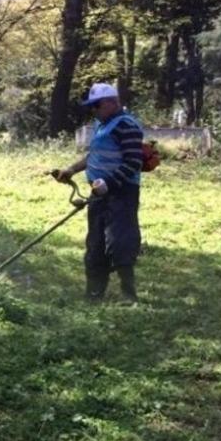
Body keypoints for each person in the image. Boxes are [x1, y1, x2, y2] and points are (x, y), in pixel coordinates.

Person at [53, 81, 144, 303]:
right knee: (95, 244)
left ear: (112, 103)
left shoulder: (127, 126)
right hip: (99, 193)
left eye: (97, 105)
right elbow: (94, 156)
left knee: (120, 242)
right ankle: (94, 294)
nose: (93, 110)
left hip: (122, 193)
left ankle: (128, 295)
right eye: (92, 106)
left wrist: (109, 184)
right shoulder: (100, 125)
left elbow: (134, 161)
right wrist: (71, 170)